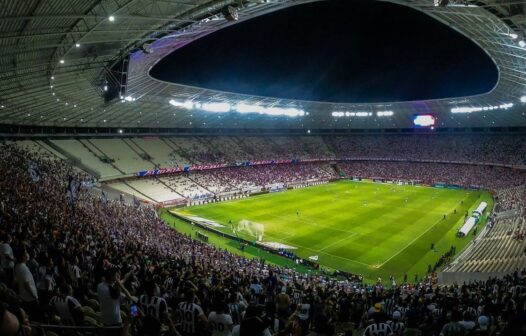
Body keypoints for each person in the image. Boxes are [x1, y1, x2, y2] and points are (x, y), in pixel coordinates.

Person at [13, 249, 39, 320]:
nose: (28, 254)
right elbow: (27, 286)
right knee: (33, 316)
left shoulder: (17, 265)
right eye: (26, 253)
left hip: (24, 295)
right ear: (22, 257)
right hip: (29, 298)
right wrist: (34, 297)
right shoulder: (23, 268)